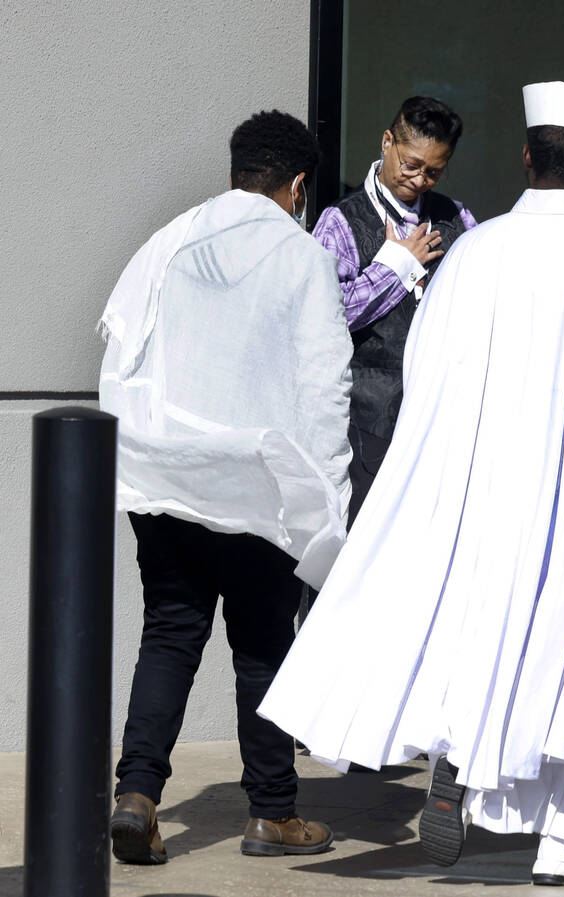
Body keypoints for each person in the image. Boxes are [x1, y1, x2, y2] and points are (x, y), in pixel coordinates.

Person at [259, 81, 564, 885]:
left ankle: (461, 756)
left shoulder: (476, 248)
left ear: (527, 156)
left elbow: (426, 369)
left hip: (483, 488)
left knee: (477, 627)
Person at [98, 109, 352, 865]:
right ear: (300, 185)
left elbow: (119, 341)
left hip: (164, 473)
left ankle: (136, 795)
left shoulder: (167, 242)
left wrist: (137, 456)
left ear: (236, 168)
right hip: (255, 481)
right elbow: (324, 388)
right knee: (264, 648)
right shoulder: (302, 258)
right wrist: (328, 501)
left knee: (170, 633)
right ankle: (272, 814)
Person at [313, 96, 477, 522]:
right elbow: (324, 317)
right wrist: (396, 266)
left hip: (444, 417)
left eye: (434, 171)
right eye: (411, 164)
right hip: (367, 424)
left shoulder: (457, 217)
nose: (420, 179)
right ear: (387, 142)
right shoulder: (340, 221)